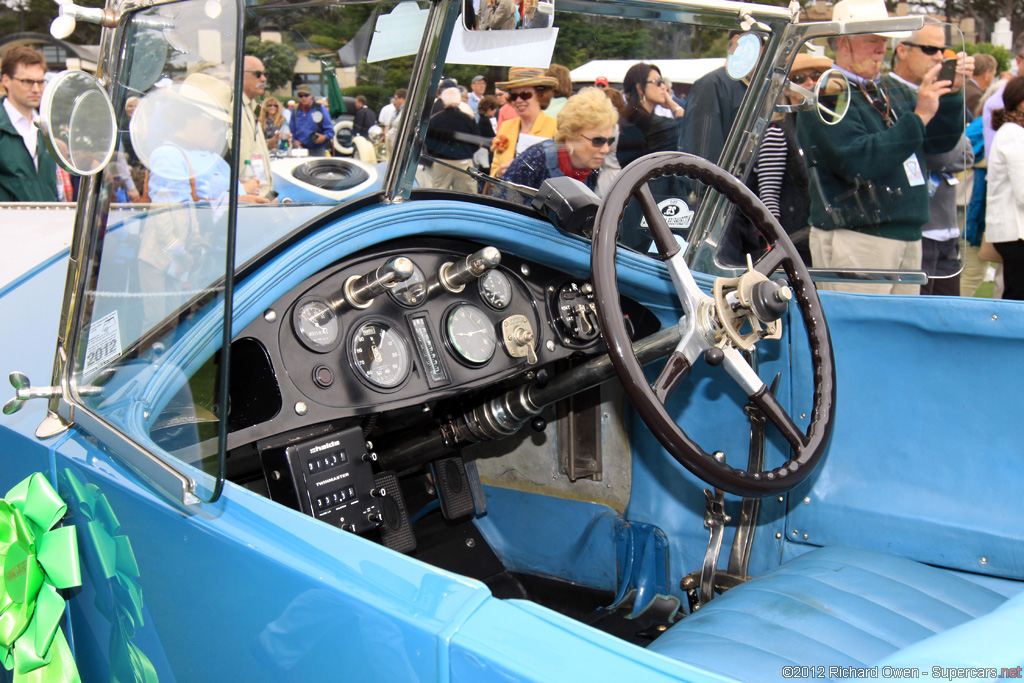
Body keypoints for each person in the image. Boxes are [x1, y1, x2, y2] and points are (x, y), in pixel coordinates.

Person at [796, 0, 970, 295]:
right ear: (842, 43)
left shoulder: (891, 88)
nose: (881, 48)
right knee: (858, 335)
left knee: (896, 336)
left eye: (884, 40)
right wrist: (920, 116)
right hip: (856, 236)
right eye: (871, 40)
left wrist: (950, 95)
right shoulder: (828, 93)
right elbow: (858, 161)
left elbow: (938, 143)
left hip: (905, 235)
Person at [886, 21, 974, 296]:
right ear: (902, 50)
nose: (939, 57)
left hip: (946, 226)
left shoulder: (943, 93)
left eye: (943, 50)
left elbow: (965, 153)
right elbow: (932, 154)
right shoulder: (886, 92)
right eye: (929, 49)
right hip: (913, 229)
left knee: (946, 323)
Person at [724, 52, 833, 266]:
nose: (810, 83)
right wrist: (776, 241)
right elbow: (768, 193)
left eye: (816, 76)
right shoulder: (777, 131)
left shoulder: (824, 125)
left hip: (817, 233)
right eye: (800, 79)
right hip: (794, 239)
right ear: (786, 88)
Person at [502, 87, 617, 198]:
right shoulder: (534, 161)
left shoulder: (591, 170)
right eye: (597, 141)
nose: (606, 149)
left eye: (609, 141)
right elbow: (501, 207)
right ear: (570, 139)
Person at [677, 32, 747, 164]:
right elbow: (702, 156)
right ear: (738, 41)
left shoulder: (754, 87)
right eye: (763, 43)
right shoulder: (713, 84)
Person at [0, 45, 58, 201]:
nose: (36, 89)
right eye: (27, 81)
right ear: (6, 80)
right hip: (9, 223)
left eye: (40, 82)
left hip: (47, 220)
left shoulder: (46, 127)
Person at [985, 76, 1024, 300]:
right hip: (1015, 232)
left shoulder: (1015, 132)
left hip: (1015, 231)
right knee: (1017, 299)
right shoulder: (1014, 134)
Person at [490, 67, 558, 178]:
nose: (518, 100)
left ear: (541, 95)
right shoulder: (506, 126)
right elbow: (493, 170)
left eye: (525, 94)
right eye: (513, 96)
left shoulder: (555, 128)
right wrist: (499, 173)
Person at [616, 62, 683, 167]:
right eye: (658, 82)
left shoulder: (627, 118)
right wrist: (674, 106)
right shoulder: (654, 124)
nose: (663, 87)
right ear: (640, 88)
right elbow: (687, 128)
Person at [424, 87, 479, 193]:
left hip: (441, 162)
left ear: (443, 101)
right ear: (459, 100)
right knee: (467, 197)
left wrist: (435, 153)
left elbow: (428, 142)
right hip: (464, 163)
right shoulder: (468, 119)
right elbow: (476, 142)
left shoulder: (435, 119)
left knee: (438, 196)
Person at [239, 55, 274, 196]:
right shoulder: (234, 109)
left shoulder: (250, 107)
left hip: (261, 195)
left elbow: (251, 148)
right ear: (240, 75)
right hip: (247, 198)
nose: (263, 79)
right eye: (258, 74)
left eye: (264, 74)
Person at [291, 84, 334, 157]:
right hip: (299, 150)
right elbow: (291, 131)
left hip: (317, 150)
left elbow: (330, 131)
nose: (303, 98)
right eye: (301, 96)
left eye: (306, 95)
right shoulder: (295, 110)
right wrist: (294, 141)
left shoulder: (320, 109)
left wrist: (324, 137)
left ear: (311, 95)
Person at [966, 54, 997, 119]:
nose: (993, 78)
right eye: (993, 74)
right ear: (986, 73)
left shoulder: (963, 87)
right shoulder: (976, 96)